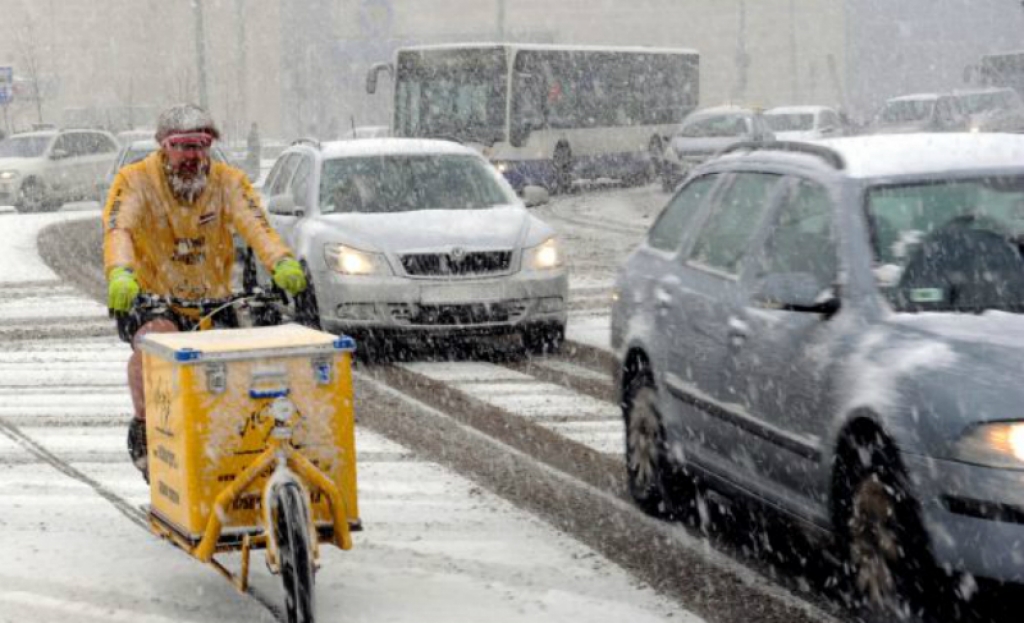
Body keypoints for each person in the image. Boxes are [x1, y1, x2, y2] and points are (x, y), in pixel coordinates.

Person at [102, 103, 307, 480]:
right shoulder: (135, 180)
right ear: (164, 145)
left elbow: (257, 226)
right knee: (157, 346)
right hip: (152, 295)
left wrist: (281, 261)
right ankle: (147, 426)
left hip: (212, 297)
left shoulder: (228, 181)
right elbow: (121, 229)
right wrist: (120, 273)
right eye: (183, 146)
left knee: (251, 356)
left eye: (201, 146)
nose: (192, 157)